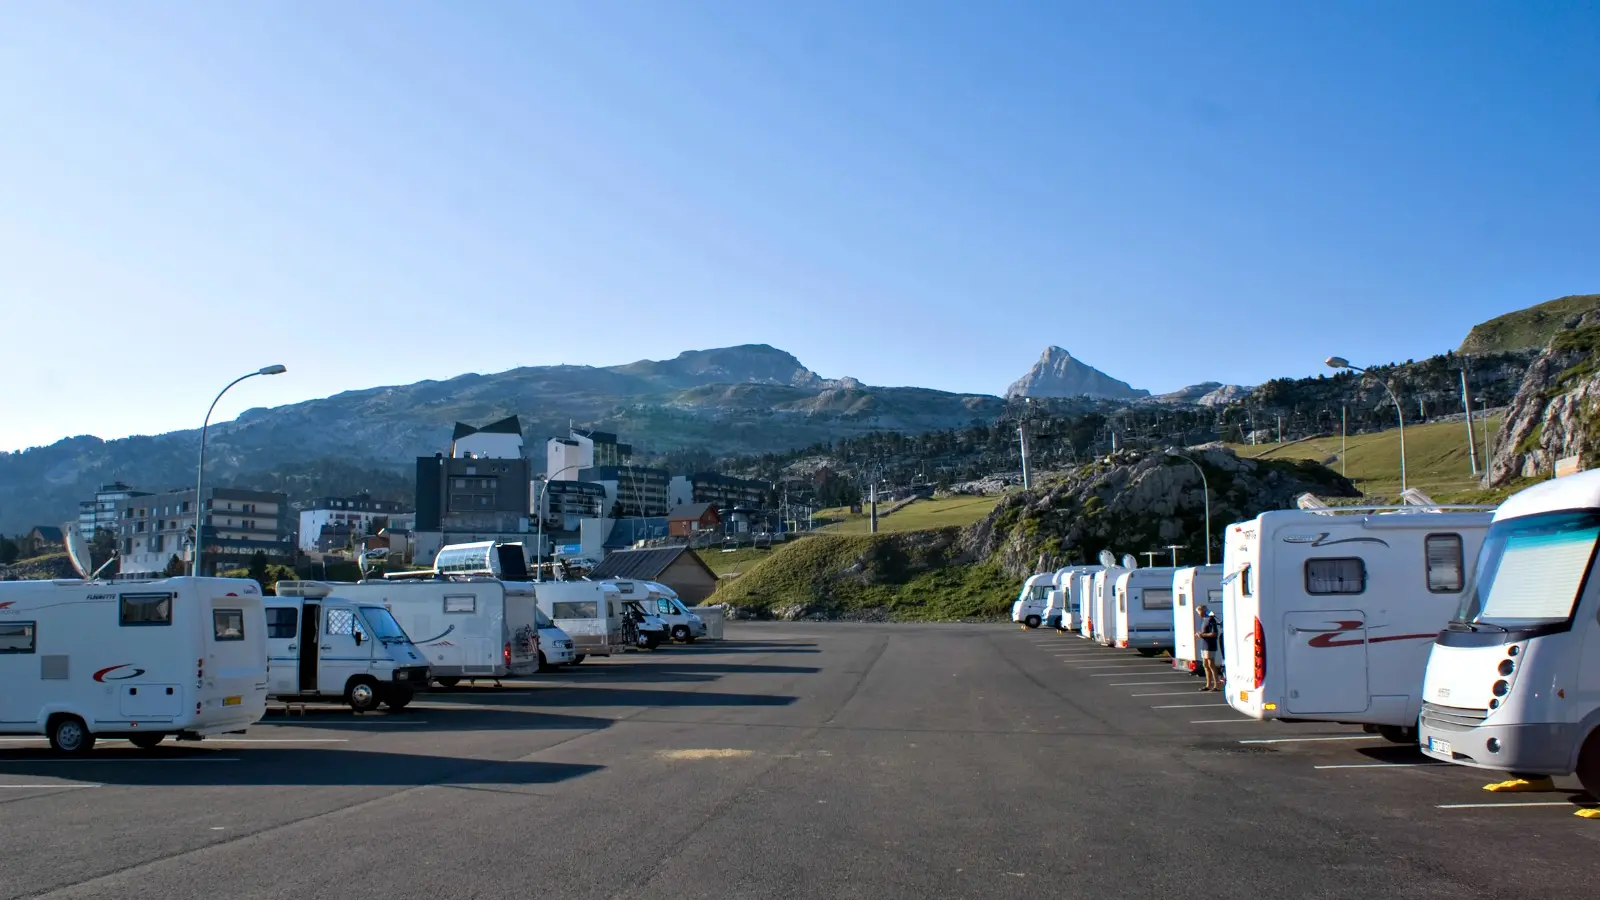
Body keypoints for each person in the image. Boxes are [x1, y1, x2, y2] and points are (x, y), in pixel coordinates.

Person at [1196, 605, 1222, 692]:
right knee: (1205, 665)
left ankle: (1216, 685)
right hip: (1204, 644)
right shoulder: (1204, 619)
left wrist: (1202, 635)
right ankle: (1208, 685)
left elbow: (1214, 633)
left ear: (1202, 611)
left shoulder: (1211, 619)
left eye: (1198, 612)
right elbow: (1205, 632)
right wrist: (1200, 634)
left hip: (1210, 645)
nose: (1198, 614)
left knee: (1211, 664)